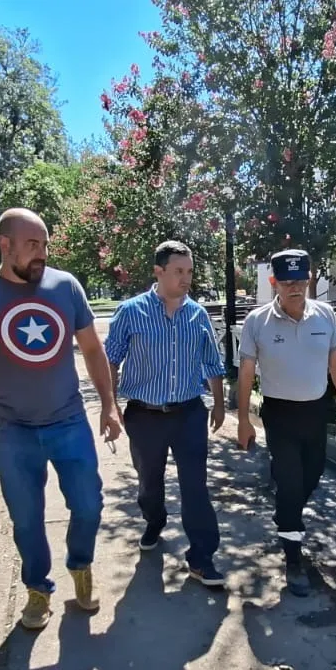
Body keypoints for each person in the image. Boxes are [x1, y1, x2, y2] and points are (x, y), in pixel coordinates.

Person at [0, 208, 124, 630]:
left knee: (88, 505)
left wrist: (109, 404)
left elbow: (93, 349)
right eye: (32, 245)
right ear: (5, 245)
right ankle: (37, 589)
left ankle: (80, 565)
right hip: (12, 430)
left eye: (44, 244)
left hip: (68, 421)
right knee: (26, 518)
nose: (41, 253)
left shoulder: (65, 287)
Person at [104, 241, 227, 588]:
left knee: (195, 486)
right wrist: (110, 406)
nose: (186, 278)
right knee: (149, 482)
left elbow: (212, 362)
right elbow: (111, 359)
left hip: (189, 413)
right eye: (178, 271)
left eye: (190, 271)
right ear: (158, 272)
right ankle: (154, 520)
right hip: (144, 416)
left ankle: (201, 557)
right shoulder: (131, 312)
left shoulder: (197, 314)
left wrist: (219, 404)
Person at [235, 248, 336, 597]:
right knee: (289, 486)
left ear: (310, 280)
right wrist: (243, 420)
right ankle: (293, 557)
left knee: (311, 477)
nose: (295, 288)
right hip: (280, 415)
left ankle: (286, 513)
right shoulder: (257, 321)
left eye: (300, 281)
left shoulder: (325, 315)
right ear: (274, 282)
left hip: (316, 412)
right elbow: (246, 372)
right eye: (287, 282)